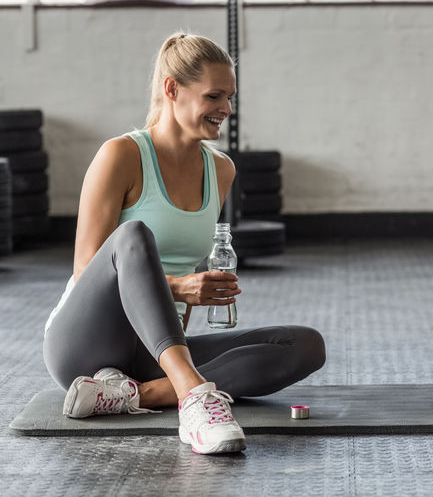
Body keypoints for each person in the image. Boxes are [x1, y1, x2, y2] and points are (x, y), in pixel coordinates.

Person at [43, 32, 326, 455]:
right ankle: (192, 397)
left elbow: (188, 275)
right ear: (172, 88)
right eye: (214, 96)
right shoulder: (121, 155)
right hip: (85, 345)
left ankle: (138, 395)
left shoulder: (221, 171)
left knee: (304, 345)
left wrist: (196, 291)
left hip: (153, 354)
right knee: (134, 235)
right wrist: (178, 287)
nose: (226, 110)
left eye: (229, 98)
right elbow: (87, 268)